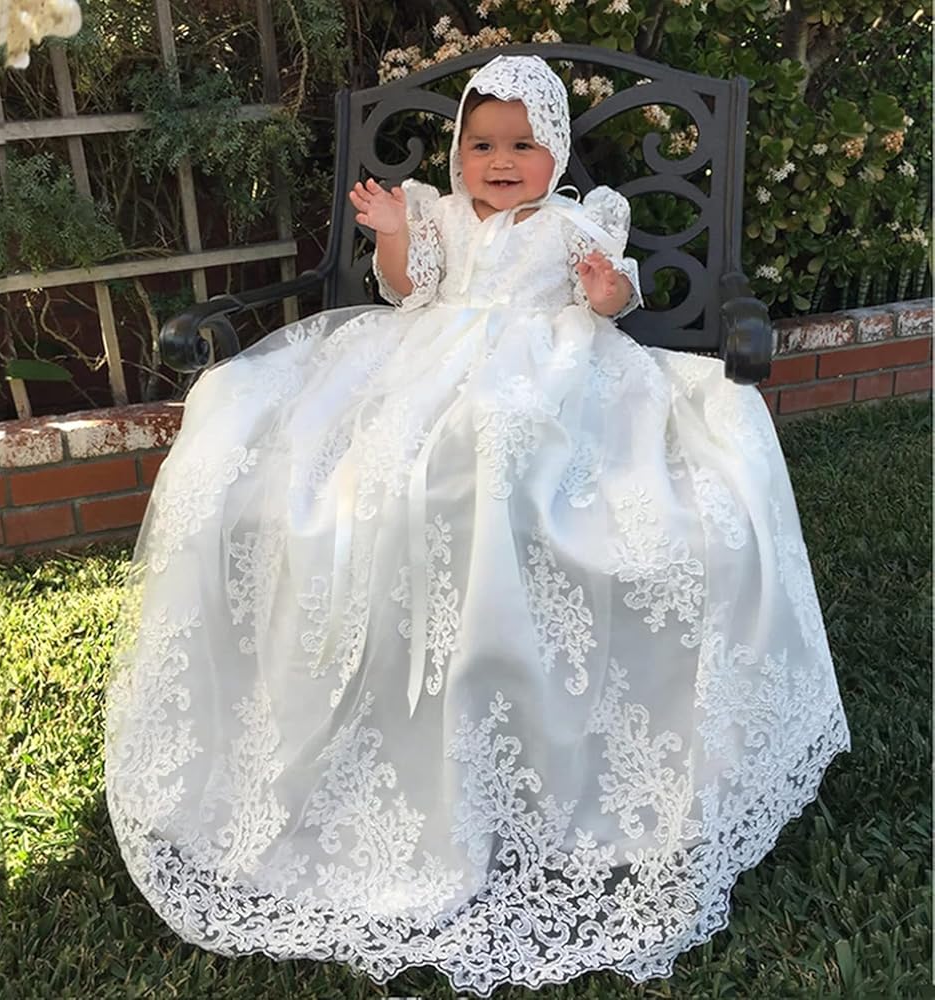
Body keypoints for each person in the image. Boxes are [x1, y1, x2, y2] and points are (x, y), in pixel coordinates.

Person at [106, 54, 850, 993]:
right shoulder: (444, 215)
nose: (500, 163)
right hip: (425, 362)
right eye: (481, 144)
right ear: (458, 153)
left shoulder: (582, 219)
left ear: (556, 153)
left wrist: (602, 290)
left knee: (506, 451)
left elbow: (617, 299)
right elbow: (408, 292)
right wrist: (387, 232)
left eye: (523, 146)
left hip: (550, 371)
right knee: (335, 453)